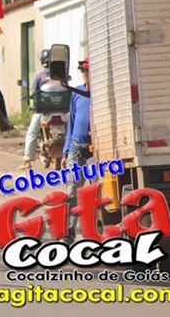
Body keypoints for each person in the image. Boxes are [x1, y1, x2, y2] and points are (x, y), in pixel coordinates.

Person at [63, 57, 92, 242]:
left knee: (98, 191)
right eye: (84, 71)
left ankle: (99, 232)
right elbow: (72, 122)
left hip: (97, 151)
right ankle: (68, 232)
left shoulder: (103, 93)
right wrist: (66, 151)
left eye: (89, 70)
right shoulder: (76, 93)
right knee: (72, 191)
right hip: (76, 149)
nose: (86, 74)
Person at [19, 48, 52, 170]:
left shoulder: (40, 76)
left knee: (31, 133)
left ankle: (27, 161)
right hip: (63, 110)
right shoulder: (60, 73)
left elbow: (34, 92)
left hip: (42, 111)